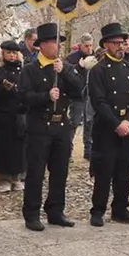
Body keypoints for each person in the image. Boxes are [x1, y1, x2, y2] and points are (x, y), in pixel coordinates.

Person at [20, 24, 82, 231]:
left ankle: (55, 211)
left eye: (59, 43)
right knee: (36, 172)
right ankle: (31, 213)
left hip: (61, 125)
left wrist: (64, 73)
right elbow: (24, 97)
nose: (58, 47)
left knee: (60, 171)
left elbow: (78, 91)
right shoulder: (30, 69)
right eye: (54, 43)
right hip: (39, 126)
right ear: (43, 45)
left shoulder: (63, 67)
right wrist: (45, 97)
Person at [88, 23, 129, 227]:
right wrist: (116, 123)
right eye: (116, 43)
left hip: (127, 126)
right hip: (107, 127)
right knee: (104, 170)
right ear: (106, 45)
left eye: (122, 43)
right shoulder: (98, 70)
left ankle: (120, 208)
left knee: (125, 169)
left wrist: (128, 120)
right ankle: (98, 210)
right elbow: (99, 101)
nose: (121, 46)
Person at [0, 41, 27, 193]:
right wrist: (4, 88)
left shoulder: (23, 71)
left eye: (14, 53)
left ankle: (16, 177)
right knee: (2, 147)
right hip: (2, 114)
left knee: (18, 148)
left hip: (18, 113)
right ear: (3, 54)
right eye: (9, 52)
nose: (12, 55)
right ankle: (3, 178)